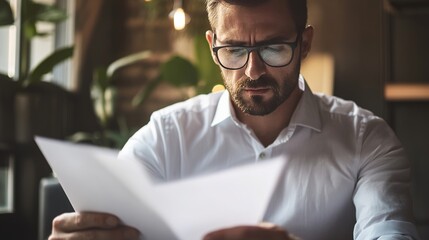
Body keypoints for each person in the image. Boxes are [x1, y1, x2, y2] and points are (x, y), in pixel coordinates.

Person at [49, 0, 421, 239]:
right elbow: (111, 221)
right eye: (234, 49)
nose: (253, 69)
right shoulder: (166, 136)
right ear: (213, 46)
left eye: (273, 48)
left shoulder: (366, 139)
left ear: (304, 43)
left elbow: (388, 232)